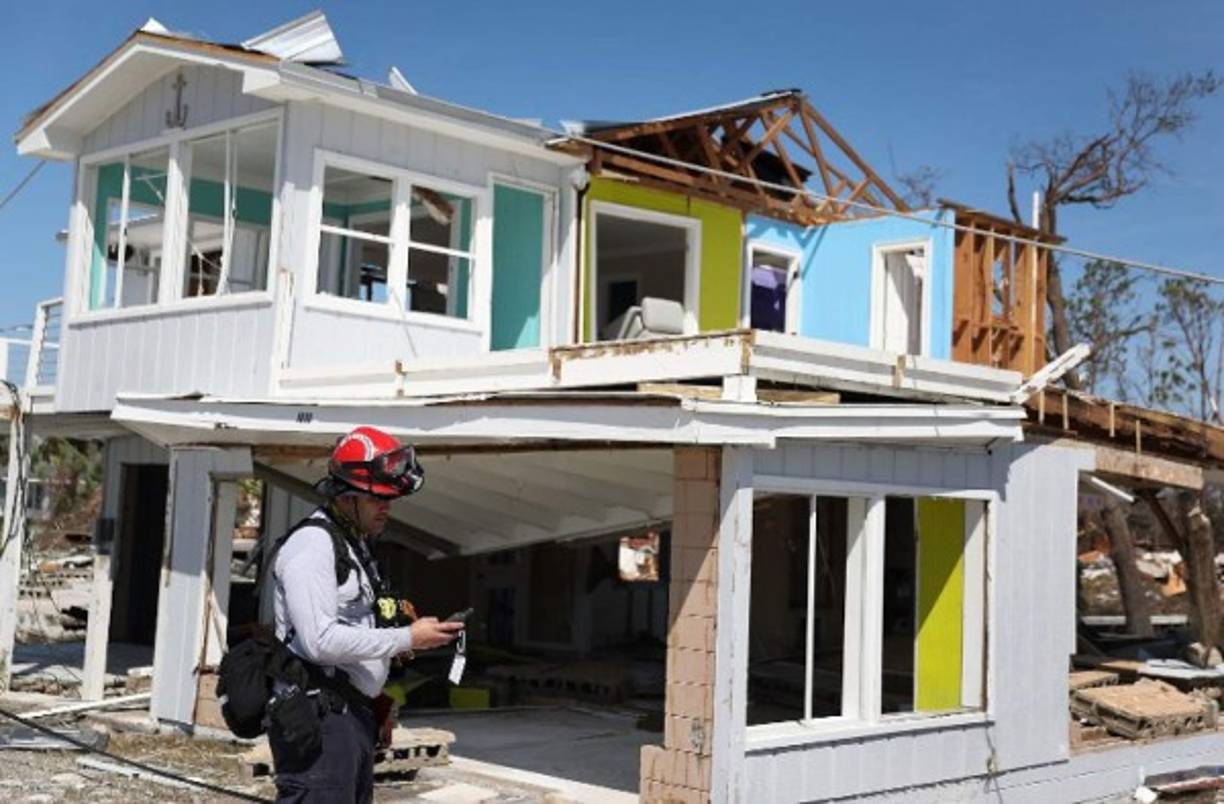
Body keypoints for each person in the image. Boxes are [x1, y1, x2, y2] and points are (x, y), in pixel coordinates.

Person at [268, 426, 463, 802]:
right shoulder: (313, 546)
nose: (386, 508)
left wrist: (375, 694)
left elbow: (353, 627)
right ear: (346, 497)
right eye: (377, 500)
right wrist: (407, 638)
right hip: (320, 724)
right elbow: (319, 640)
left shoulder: (352, 545)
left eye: (390, 499)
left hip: (348, 716)